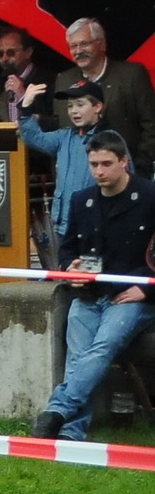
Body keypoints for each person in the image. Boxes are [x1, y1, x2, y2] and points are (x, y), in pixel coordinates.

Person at [31, 131, 155, 440]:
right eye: (93, 164)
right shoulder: (81, 200)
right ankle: (70, 433)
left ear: (124, 162)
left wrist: (148, 289)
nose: (99, 171)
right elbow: (68, 249)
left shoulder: (151, 197)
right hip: (87, 293)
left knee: (101, 348)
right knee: (79, 354)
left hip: (133, 296)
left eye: (106, 164)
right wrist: (68, 269)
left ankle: (56, 411)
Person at [53, 18, 155, 175]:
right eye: (73, 46)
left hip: (127, 175)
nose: (78, 51)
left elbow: (151, 125)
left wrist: (139, 168)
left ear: (102, 44)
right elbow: (59, 126)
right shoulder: (64, 80)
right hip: (79, 176)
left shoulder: (132, 75)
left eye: (84, 44)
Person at [18, 79, 106, 246]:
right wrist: (25, 108)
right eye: (70, 106)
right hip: (63, 226)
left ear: (97, 107)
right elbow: (33, 137)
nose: (74, 111)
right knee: (65, 270)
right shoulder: (64, 136)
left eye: (80, 104)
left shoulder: (110, 140)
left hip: (96, 226)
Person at [0, 26, 55, 125]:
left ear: (28, 52)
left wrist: (23, 95)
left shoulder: (49, 80)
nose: (4, 58)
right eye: (0, 54)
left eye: (11, 52)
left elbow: (53, 122)